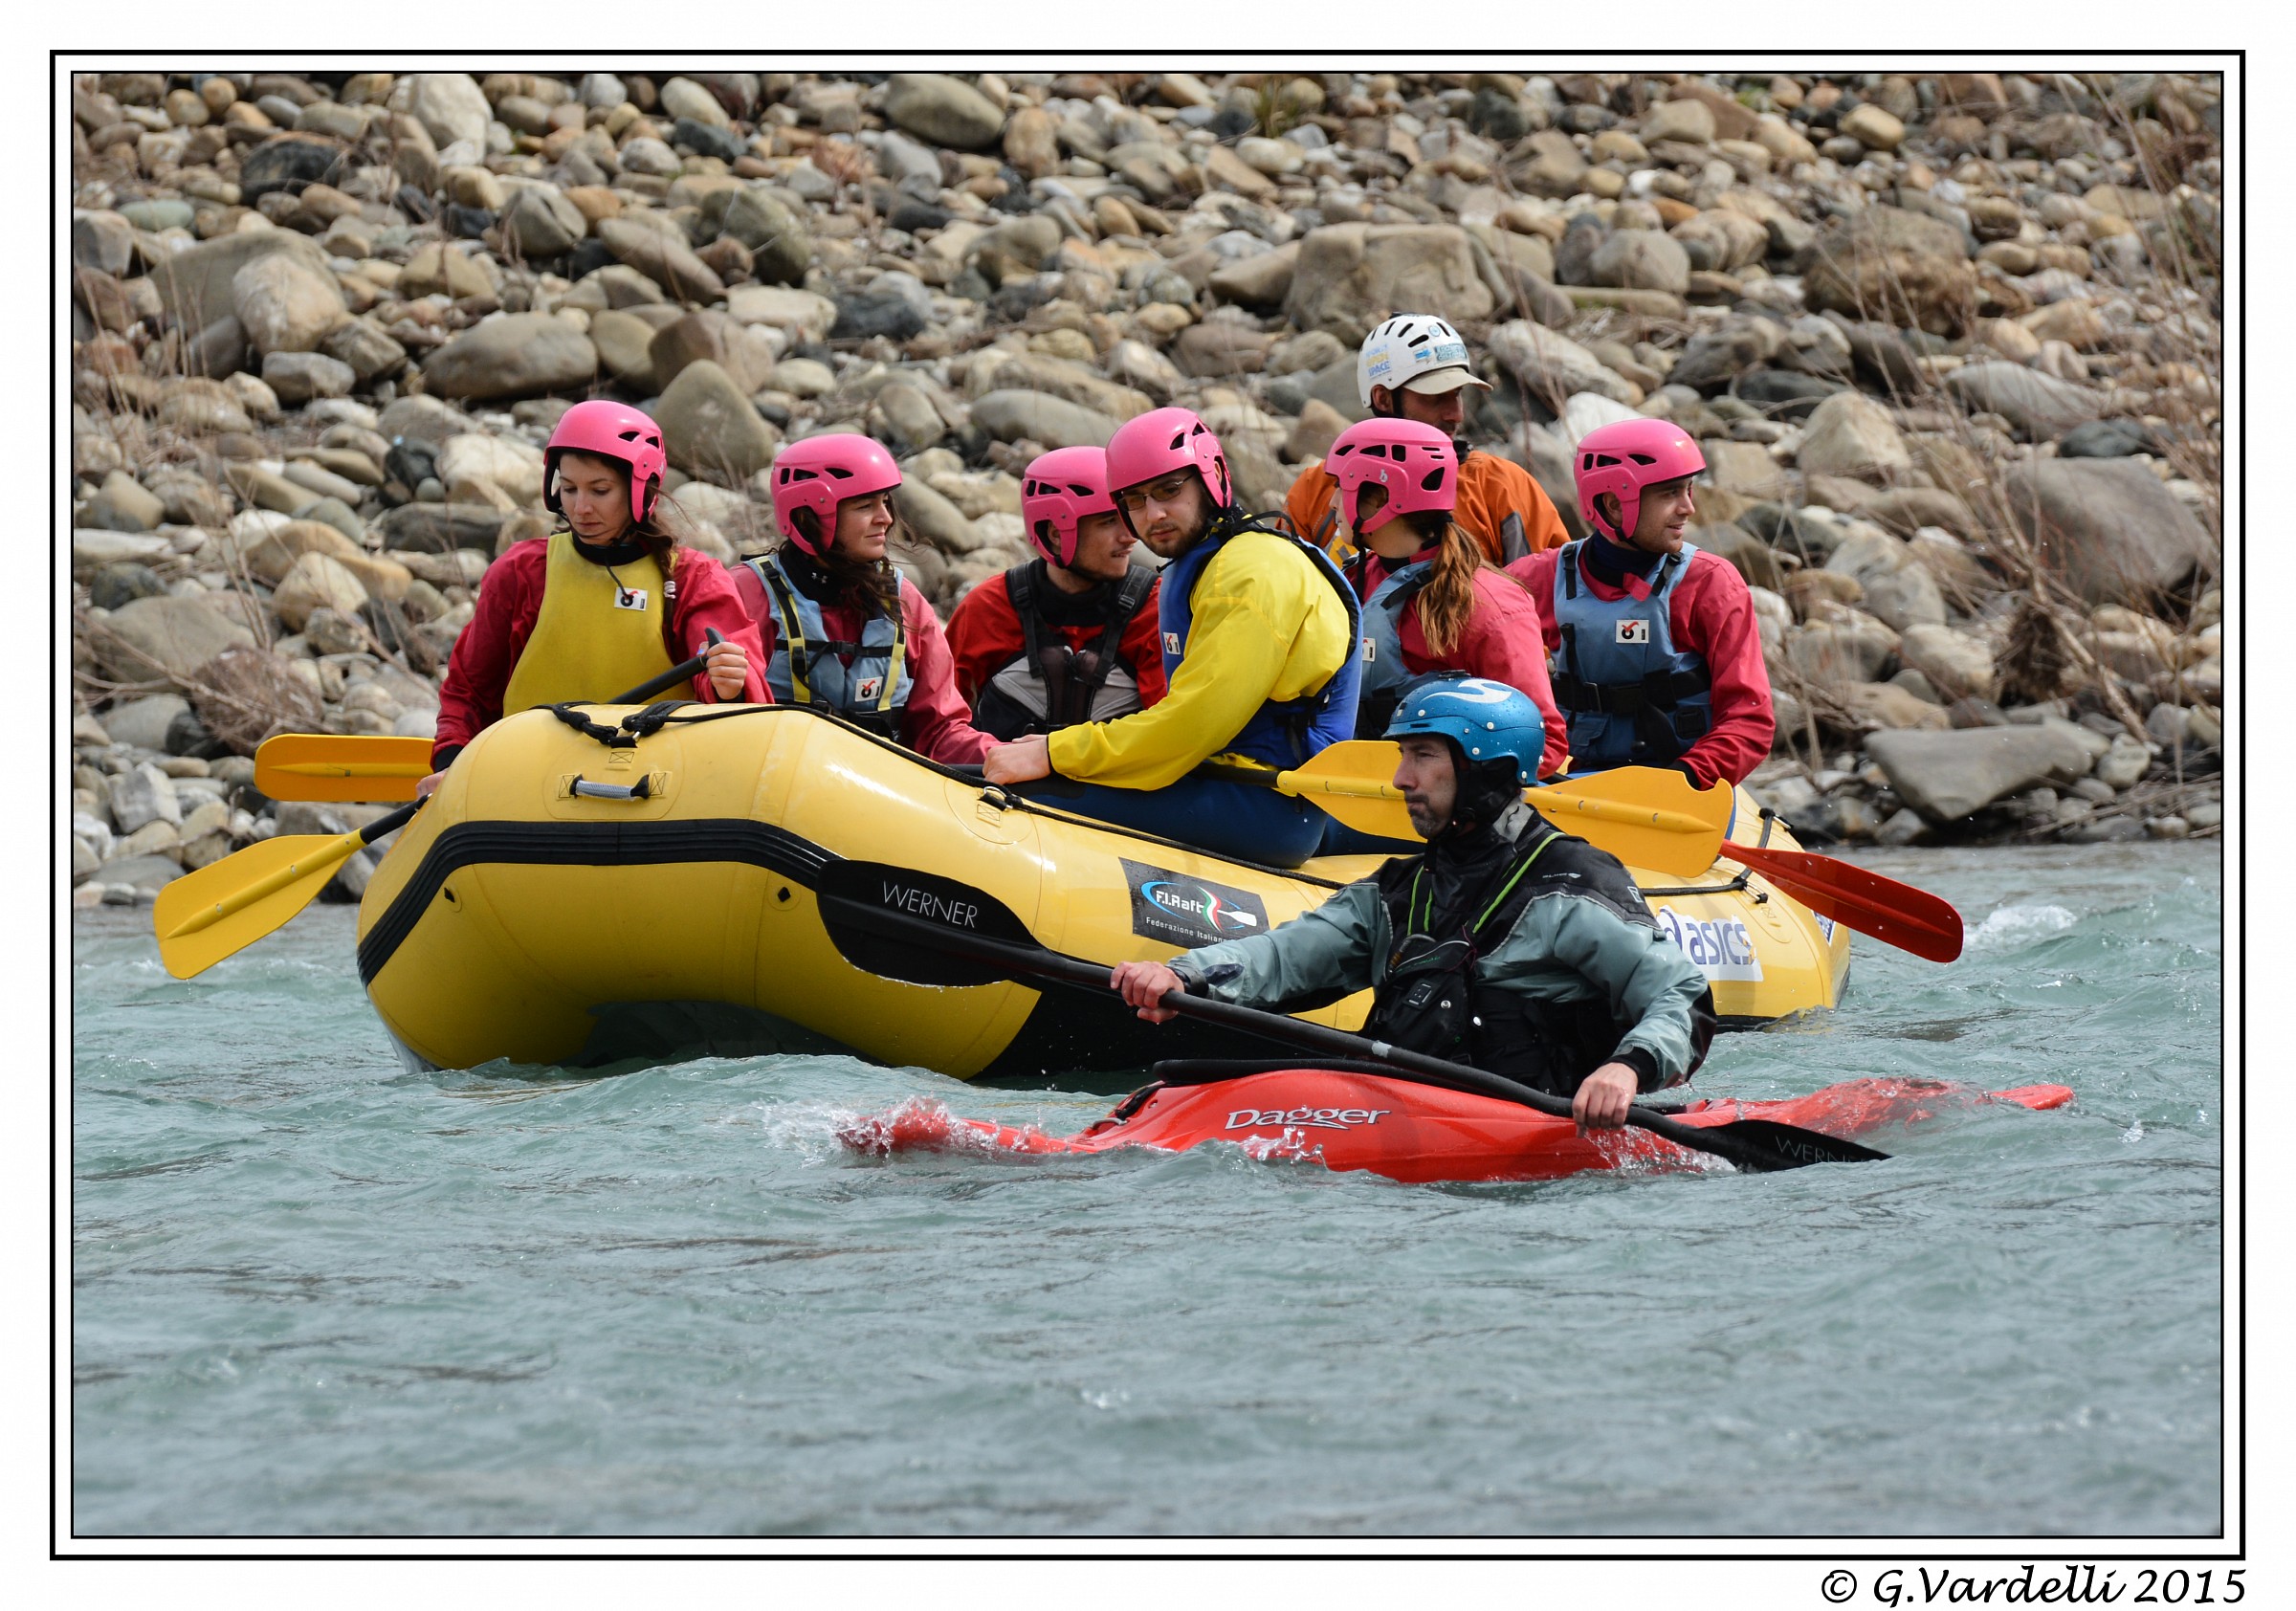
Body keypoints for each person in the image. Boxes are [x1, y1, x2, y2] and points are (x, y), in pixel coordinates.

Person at [1111, 675, 1715, 1132]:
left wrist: (1627, 1069)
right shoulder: (1398, 890)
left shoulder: (1572, 884)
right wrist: (1184, 974)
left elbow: (1680, 995)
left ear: (1485, 770)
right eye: (1403, 756)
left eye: (1422, 756)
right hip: (1400, 1116)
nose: (1401, 779)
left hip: (1531, 1131)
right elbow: (1287, 954)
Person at [981, 407, 1361, 870]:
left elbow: (1191, 726)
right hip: (1232, 785)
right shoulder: (1208, 563)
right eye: (1134, 501)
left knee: (1027, 796)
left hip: (1267, 806)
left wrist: (1056, 751)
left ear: (1214, 476)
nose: (1152, 514)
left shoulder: (1253, 572)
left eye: (1169, 491)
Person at [425, 400, 765, 797]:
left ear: (642, 489)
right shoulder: (522, 572)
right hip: (528, 786)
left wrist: (730, 685)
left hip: (651, 791)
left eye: (600, 490)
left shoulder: (691, 578)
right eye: (568, 489)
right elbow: (468, 692)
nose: (580, 508)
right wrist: (451, 764)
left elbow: (742, 705)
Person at [1505, 418, 1774, 787]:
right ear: (1614, 504)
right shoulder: (1535, 580)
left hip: (1684, 780)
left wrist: (1684, 780)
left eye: (1688, 490)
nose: (1688, 508)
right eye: (1669, 494)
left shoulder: (1710, 584)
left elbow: (1750, 718)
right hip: (1580, 780)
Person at [732, 432, 995, 764]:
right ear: (807, 516)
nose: (884, 518)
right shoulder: (746, 595)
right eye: (864, 506)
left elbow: (939, 732)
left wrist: (1006, 754)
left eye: (885, 502)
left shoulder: (904, 602)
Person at [1325, 416, 1567, 772]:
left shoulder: (1489, 605)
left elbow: (1544, 743)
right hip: (1360, 792)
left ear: (1380, 499)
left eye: (1340, 488)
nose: (1332, 503)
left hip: (1443, 810)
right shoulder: (1351, 583)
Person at [1283, 314, 1571, 567]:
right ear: (1383, 398)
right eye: (1435, 398)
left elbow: (1549, 602)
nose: (1456, 414)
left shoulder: (1501, 487)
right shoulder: (1317, 490)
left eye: (1457, 393)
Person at [944, 446, 1165, 740]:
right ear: (1055, 533)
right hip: (995, 783)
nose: (1129, 537)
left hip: (1119, 785)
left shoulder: (1155, 609)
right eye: (1108, 521)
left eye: (1128, 517)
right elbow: (941, 725)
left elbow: (1167, 729)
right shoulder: (986, 608)